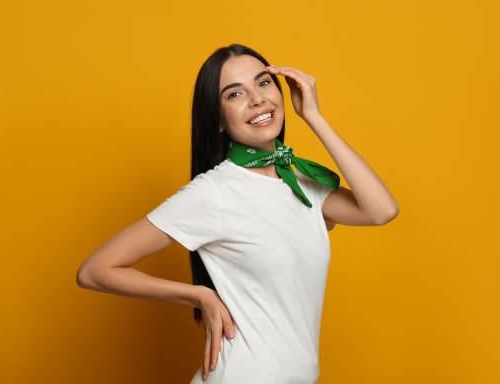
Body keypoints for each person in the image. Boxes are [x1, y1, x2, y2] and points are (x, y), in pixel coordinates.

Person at [76, 44, 399, 383]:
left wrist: (314, 116)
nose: (257, 99)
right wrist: (199, 294)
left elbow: (381, 210)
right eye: (234, 94)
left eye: (263, 83)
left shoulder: (300, 182)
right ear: (216, 119)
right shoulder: (214, 193)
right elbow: (95, 271)